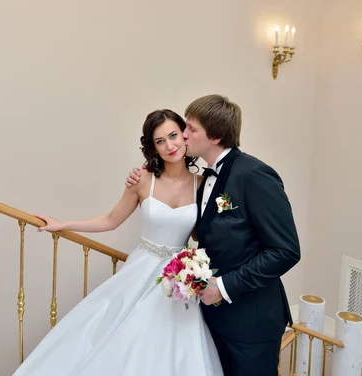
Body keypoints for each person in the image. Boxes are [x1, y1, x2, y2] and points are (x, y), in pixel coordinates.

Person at [13, 109, 223, 376]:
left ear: (184, 136)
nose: (169, 146)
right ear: (153, 147)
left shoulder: (203, 184)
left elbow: (201, 234)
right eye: (160, 141)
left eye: (173, 136)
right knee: (120, 343)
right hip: (139, 273)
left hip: (178, 280)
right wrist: (63, 224)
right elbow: (111, 220)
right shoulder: (143, 179)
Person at [125, 94, 301, 376]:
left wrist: (224, 286)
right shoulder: (206, 179)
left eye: (191, 129)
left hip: (252, 323)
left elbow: (286, 251)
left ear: (215, 136)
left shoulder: (254, 175)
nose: (183, 134)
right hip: (214, 318)